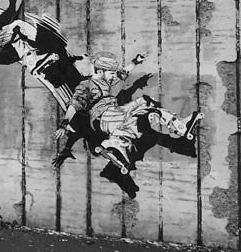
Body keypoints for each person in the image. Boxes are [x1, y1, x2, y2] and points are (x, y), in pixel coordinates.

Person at [55, 52, 200, 171]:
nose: (114, 76)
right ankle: (115, 143)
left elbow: (122, 74)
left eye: (113, 73)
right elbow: (74, 104)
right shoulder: (86, 85)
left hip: (115, 110)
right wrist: (64, 124)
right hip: (102, 117)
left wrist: (136, 62)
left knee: (147, 103)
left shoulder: (104, 81)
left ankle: (180, 127)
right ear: (100, 71)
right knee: (134, 121)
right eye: (111, 73)